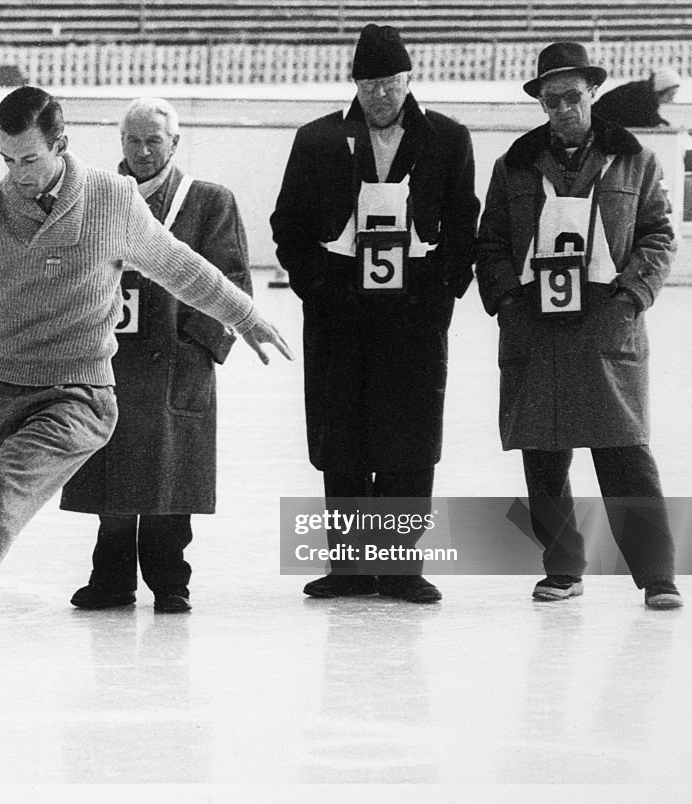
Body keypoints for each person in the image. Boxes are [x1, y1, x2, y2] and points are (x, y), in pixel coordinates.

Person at [0, 86, 292, 721]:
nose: (16, 175)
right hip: (2, 386)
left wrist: (246, 314)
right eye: (6, 160)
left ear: (60, 146)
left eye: (27, 160)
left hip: (81, 394)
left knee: (3, 493)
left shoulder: (110, 201)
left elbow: (181, 265)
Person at [270, 23, 478, 604]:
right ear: (354, 85)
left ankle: (403, 568)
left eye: (389, 83)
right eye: (369, 84)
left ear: (409, 80)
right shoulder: (317, 141)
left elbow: (465, 221)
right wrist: (316, 285)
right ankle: (352, 568)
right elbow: (286, 223)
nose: (380, 95)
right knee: (344, 436)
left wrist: (442, 293)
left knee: (409, 438)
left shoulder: (447, 139)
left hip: (413, 314)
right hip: (341, 312)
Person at [475, 42, 682, 610]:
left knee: (624, 453)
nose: (563, 108)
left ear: (592, 93)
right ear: (540, 103)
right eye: (551, 99)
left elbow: (659, 235)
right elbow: (489, 242)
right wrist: (509, 301)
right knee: (542, 456)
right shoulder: (513, 165)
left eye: (572, 96)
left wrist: (632, 296)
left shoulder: (634, 158)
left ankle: (657, 574)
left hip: (606, 326)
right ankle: (562, 567)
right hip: (536, 328)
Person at [60, 98, 253, 614]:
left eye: (153, 141)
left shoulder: (209, 201)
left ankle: (171, 580)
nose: (143, 152)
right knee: (113, 477)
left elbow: (231, 279)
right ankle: (111, 578)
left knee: (171, 480)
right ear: (120, 142)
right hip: (109, 357)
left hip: (173, 361)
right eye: (133, 140)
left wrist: (196, 346)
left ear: (174, 143)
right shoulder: (95, 197)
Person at [592, 67, 681, 128]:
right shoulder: (641, 94)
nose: (671, 100)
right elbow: (648, 118)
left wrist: (666, 124)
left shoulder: (645, 91)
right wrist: (666, 125)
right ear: (661, 90)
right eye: (670, 95)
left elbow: (652, 117)